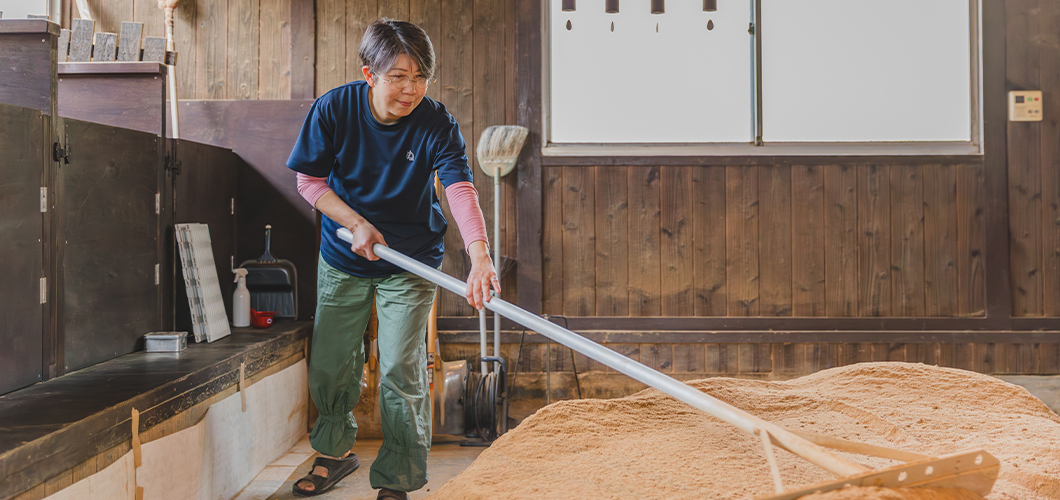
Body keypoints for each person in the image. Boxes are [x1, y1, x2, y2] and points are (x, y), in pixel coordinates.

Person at [286, 18, 498, 499]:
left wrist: (480, 256)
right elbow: (309, 183)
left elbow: (460, 189)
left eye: (420, 77)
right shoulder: (334, 110)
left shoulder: (436, 121)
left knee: (402, 370)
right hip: (344, 256)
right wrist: (356, 223)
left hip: (411, 260)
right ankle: (334, 453)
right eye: (398, 77)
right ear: (370, 75)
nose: (411, 89)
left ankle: (398, 479)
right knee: (331, 363)